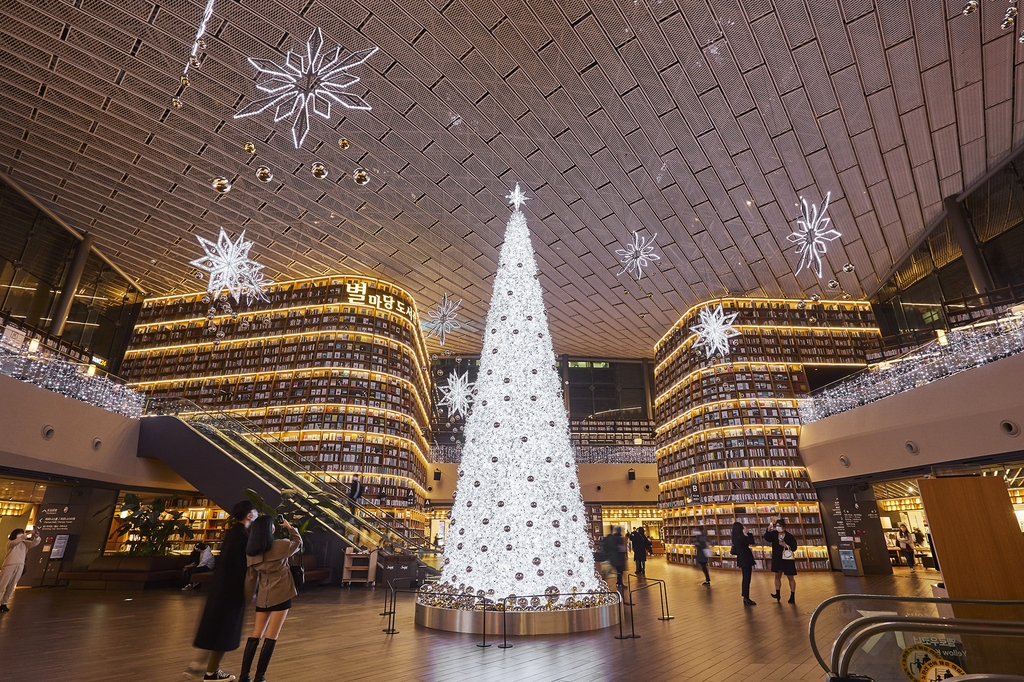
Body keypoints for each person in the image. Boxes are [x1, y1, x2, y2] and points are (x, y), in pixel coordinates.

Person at [188, 500, 259, 681]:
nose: (257, 513)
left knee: (216, 627)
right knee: (225, 630)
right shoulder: (243, 537)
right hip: (232, 590)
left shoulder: (233, 533)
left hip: (222, 587)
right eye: (254, 511)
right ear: (249, 515)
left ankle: (201, 666)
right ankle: (211, 673)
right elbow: (244, 565)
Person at [239, 515, 302, 682]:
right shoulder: (280, 545)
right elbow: (298, 542)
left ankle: (244, 676)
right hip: (282, 591)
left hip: (263, 594)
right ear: (269, 529)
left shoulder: (251, 551)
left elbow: (251, 578)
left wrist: (248, 598)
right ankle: (260, 677)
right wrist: (289, 527)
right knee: (271, 636)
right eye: (272, 525)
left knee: (255, 634)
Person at [1, 528, 42, 612]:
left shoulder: (25, 544)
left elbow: (35, 543)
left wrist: (36, 536)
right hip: (9, 565)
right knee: (2, 584)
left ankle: (4, 603)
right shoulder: (10, 543)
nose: (21, 535)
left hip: (20, 565)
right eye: (19, 533)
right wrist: (26, 535)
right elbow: (16, 541)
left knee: (11, 586)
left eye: (22, 533)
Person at [764, 519, 798, 603]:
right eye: (777, 526)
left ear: (784, 527)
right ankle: (777, 593)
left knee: (790, 577)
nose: (778, 528)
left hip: (787, 559)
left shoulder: (789, 536)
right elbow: (767, 538)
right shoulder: (774, 534)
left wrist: (786, 545)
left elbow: (794, 547)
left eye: (780, 526)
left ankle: (792, 595)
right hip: (777, 558)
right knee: (777, 576)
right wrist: (768, 530)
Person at [731, 521, 756, 606]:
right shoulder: (741, 537)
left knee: (745, 578)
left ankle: (745, 595)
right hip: (746, 558)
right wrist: (747, 533)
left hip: (741, 558)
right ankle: (746, 597)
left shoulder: (735, 537)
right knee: (747, 579)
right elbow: (751, 541)